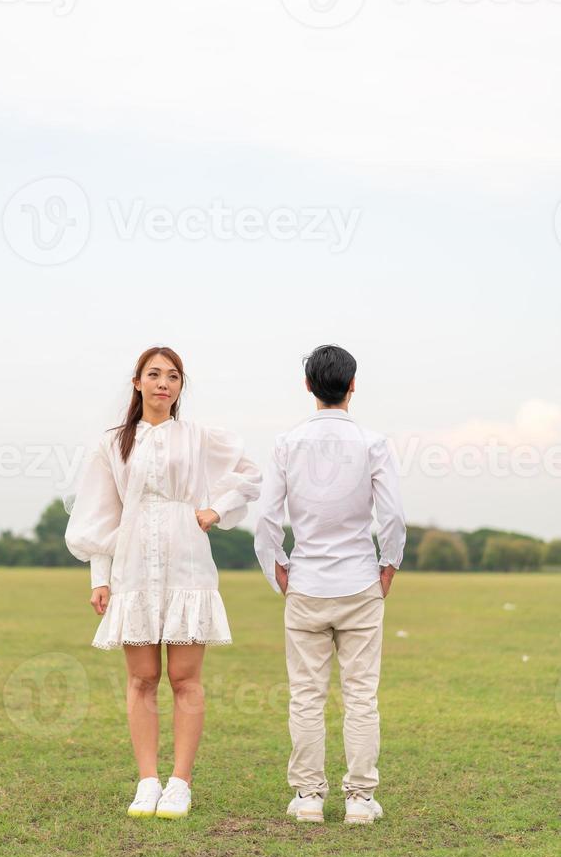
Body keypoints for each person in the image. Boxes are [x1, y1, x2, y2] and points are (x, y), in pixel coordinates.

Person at [64, 345, 262, 820]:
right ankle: (147, 780)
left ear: (179, 387)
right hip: (132, 564)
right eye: (154, 375)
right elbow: (100, 511)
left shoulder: (197, 437)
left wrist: (216, 510)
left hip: (187, 561)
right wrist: (100, 577)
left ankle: (180, 783)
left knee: (184, 677)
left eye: (173, 377)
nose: (163, 383)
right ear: (137, 383)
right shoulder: (113, 443)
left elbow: (250, 476)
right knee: (142, 677)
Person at [254, 344, 406, 825]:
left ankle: (308, 797)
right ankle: (360, 800)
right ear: (353, 385)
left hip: (307, 582)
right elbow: (394, 517)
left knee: (306, 695)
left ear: (308, 387)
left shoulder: (286, 443)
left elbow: (265, 519)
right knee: (361, 694)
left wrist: (275, 566)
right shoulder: (373, 443)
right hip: (360, 580)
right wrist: (390, 565)